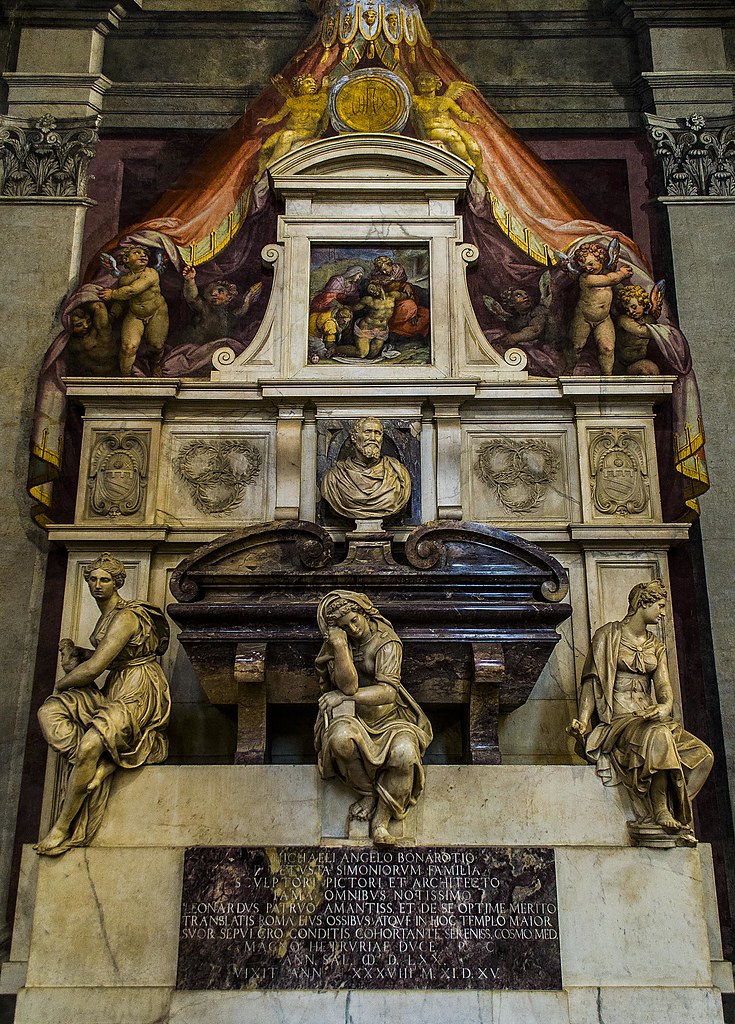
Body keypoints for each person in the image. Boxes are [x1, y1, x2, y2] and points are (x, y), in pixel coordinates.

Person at [35, 553, 171, 856]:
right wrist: (78, 654)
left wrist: (63, 681)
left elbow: (96, 668)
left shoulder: (125, 616)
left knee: (87, 745)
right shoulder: (107, 615)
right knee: (50, 710)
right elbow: (109, 657)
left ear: (118, 582)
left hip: (139, 690)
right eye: (93, 579)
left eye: (105, 579)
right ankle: (96, 766)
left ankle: (62, 826)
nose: (98, 584)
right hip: (116, 686)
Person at [569, 579, 713, 845]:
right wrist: (583, 720)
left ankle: (676, 811)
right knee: (659, 737)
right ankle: (659, 809)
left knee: (703, 756)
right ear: (642, 604)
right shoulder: (607, 636)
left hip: (650, 718)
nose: (662, 612)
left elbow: (664, 690)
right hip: (620, 722)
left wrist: (663, 707)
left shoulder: (656, 646)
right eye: (659, 605)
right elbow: (592, 683)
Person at [315, 591, 433, 846]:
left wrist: (344, 697)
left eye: (354, 619)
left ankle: (381, 821)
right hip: (352, 718)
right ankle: (368, 794)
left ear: (364, 612)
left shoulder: (387, 642)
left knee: (404, 753)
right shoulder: (338, 645)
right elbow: (348, 686)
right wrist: (340, 646)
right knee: (339, 740)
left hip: (391, 718)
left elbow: (388, 693)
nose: (353, 628)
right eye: (345, 626)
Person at [320, 416, 412, 520]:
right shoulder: (335, 477)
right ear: (354, 437)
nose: (373, 438)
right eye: (367, 432)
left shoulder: (398, 473)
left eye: (377, 433)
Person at [100, 245, 169, 376]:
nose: (143, 255)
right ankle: (125, 376)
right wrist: (112, 316)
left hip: (157, 312)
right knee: (128, 348)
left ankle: (155, 365)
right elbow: (121, 302)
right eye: (137, 253)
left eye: (145, 254)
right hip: (135, 314)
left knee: (157, 346)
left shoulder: (150, 273)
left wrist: (112, 294)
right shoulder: (124, 279)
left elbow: (133, 290)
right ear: (126, 259)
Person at [566, 241, 633, 375]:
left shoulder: (607, 272)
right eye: (584, 267)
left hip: (603, 319)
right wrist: (622, 274)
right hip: (584, 318)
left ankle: (607, 377)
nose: (588, 268)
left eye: (591, 264)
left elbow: (614, 283)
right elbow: (611, 280)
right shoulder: (586, 278)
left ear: (600, 258)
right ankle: (568, 371)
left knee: (608, 348)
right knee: (576, 347)